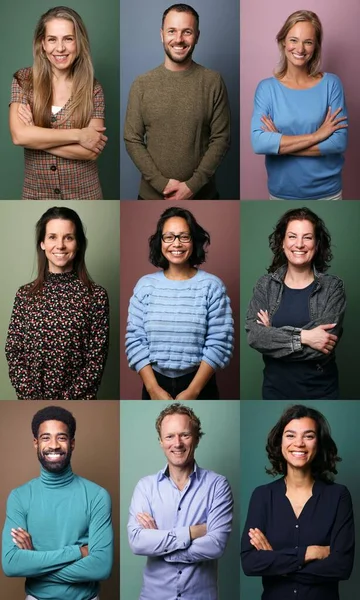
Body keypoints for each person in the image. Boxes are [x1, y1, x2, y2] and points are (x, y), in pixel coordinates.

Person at [241, 404, 355, 600]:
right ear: (280, 442)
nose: (299, 443)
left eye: (308, 436)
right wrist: (308, 553)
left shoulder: (338, 496)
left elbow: (342, 567)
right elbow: (250, 563)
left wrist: (277, 564)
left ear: (318, 444)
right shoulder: (262, 496)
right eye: (291, 435)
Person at [1, 405, 113, 600]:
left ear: (72, 443)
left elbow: (101, 567)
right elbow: (11, 563)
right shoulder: (19, 497)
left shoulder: (97, 496)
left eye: (61, 437)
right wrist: (78, 551)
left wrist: (34, 564)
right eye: (46, 437)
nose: (53, 445)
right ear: (36, 443)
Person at [125, 206, 234, 400]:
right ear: (160, 242)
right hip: (154, 384)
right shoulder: (145, 286)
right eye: (169, 237)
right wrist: (152, 389)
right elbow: (135, 340)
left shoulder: (212, 286)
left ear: (194, 241)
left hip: (200, 384)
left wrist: (193, 391)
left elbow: (219, 341)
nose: (176, 243)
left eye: (184, 236)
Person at [124, 3, 230, 200]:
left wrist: (192, 186)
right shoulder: (142, 84)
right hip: (151, 197)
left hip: (203, 197)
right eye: (172, 31)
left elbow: (221, 139)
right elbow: (132, 139)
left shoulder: (213, 81)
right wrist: (161, 183)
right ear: (162, 34)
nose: (179, 39)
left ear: (197, 36)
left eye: (186, 32)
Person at [128, 403, 233, 600]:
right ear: (160, 441)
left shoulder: (217, 485)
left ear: (197, 438)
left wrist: (160, 545)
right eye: (169, 436)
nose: (177, 443)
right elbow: (137, 543)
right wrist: (192, 532)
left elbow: (215, 545)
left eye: (185, 435)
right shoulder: (145, 487)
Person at [5, 206, 109, 400]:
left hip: (80, 401)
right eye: (52, 237)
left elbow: (96, 360)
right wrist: (31, 398)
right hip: (30, 400)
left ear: (78, 244)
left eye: (68, 237)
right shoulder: (25, 295)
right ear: (42, 243)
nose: (60, 245)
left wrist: (68, 399)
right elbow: (13, 350)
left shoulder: (96, 296)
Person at [245, 207, 346, 400]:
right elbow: (255, 337)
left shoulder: (333, 287)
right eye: (292, 236)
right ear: (282, 242)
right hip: (275, 391)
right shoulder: (265, 285)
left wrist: (272, 335)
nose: (299, 244)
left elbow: (323, 346)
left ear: (316, 244)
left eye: (307, 237)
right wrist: (306, 336)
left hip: (322, 392)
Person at [9, 6, 107, 199]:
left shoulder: (93, 88)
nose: (60, 48)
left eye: (68, 39)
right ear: (42, 44)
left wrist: (36, 137)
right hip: (35, 194)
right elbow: (19, 136)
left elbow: (91, 152)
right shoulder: (23, 80)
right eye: (52, 39)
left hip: (85, 195)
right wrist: (78, 135)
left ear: (79, 43)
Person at [251, 10, 348, 200]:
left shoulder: (331, 84)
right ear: (283, 41)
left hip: (327, 192)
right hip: (282, 193)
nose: (300, 48)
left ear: (316, 47)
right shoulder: (266, 88)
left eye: (308, 42)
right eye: (294, 40)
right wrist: (317, 136)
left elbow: (338, 142)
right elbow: (259, 143)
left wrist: (279, 143)